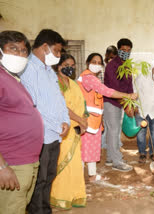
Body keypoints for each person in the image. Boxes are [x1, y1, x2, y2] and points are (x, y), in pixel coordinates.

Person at [20, 29, 70, 214]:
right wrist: (57, 126)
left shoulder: (49, 71)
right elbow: (34, 106)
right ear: (44, 47)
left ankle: (44, 210)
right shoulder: (28, 70)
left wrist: (65, 121)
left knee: (49, 176)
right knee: (38, 181)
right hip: (39, 136)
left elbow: (59, 100)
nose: (58, 56)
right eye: (56, 51)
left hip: (54, 135)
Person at [0, 31, 43, 214]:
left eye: (24, 51)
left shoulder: (13, 79)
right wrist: (1, 166)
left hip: (28, 161)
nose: (19, 54)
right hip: (11, 163)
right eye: (13, 49)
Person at [79, 52, 137, 178]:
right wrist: (128, 96)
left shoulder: (92, 78)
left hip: (93, 120)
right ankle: (85, 177)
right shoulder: (88, 78)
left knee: (91, 147)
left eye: (99, 63)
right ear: (87, 63)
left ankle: (91, 174)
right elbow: (107, 91)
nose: (97, 65)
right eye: (94, 62)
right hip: (87, 120)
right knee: (87, 148)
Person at [50, 54, 88, 209]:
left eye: (73, 65)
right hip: (62, 128)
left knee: (75, 164)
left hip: (77, 128)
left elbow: (82, 104)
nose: (70, 68)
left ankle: (76, 196)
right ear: (58, 66)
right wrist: (80, 119)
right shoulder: (54, 83)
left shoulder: (74, 84)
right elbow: (61, 106)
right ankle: (60, 196)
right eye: (67, 64)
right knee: (63, 162)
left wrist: (84, 120)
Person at [103, 38, 136, 172]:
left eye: (128, 50)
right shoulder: (112, 65)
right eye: (123, 50)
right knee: (113, 131)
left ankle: (111, 158)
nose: (126, 52)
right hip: (111, 101)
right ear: (118, 50)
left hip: (121, 102)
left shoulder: (127, 65)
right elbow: (115, 88)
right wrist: (126, 104)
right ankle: (117, 161)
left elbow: (129, 86)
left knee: (114, 132)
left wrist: (131, 105)